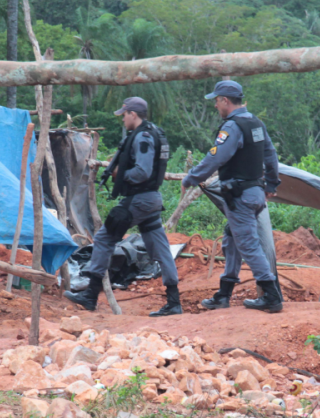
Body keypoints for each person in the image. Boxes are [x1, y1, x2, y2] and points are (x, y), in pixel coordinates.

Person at [64, 97, 181, 316]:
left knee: (104, 239)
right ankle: (174, 301)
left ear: (133, 114)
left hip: (140, 199)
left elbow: (143, 172)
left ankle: (90, 296)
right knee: (161, 249)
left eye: (124, 115)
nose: (123, 119)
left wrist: (120, 174)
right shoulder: (153, 132)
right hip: (150, 200)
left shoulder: (143, 137)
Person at [181, 80, 283, 313]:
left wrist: (191, 178)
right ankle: (224, 294)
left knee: (247, 244)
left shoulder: (232, 127)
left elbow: (216, 158)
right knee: (231, 240)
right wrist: (272, 183)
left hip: (240, 197)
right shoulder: (256, 123)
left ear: (225, 101)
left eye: (217, 101)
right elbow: (270, 154)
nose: (216, 105)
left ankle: (271, 295)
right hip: (255, 194)